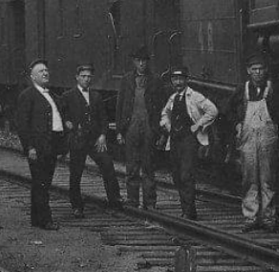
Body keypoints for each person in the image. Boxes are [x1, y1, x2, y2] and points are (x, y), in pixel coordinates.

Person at [228, 52, 279, 232]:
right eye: (254, 69)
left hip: (267, 139)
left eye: (260, 69)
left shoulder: (272, 89)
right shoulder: (241, 90)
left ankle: (268, 218)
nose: (258, 72)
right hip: (248, 139)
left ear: (265, 70)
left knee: (267, 180)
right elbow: (227, 109)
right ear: (248, 71)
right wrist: (237, 123)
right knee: (249, 179)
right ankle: (251, 217)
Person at [60, 64, 123, 217]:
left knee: (108, 165)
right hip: (78, 140)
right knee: (76, 173)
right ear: (77, 77)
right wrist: (67, 123)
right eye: (83, 76)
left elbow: (103, 118)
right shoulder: (68, 96)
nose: (86, 79)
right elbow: (60, 115)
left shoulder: (96, 96)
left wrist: (102, 135)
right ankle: (77, 206)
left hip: (95, 140)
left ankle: (114, 200)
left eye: (89, 77)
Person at [160, 66, 218, 220]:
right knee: (177, 176)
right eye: (175, 79)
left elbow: (212, 111)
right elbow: (164, 114)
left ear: (187, 80)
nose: (178, 82)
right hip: (175, 141)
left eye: (181, 79)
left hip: (189, 140)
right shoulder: (173, 98)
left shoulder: (195, 96)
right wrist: (167, 125)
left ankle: (189, 211)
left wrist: (198, 125)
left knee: (186, 175)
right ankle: (185, 208)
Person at [15, 59, 66, 230]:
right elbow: (22, 125)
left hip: (50, 146)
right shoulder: (27, 96)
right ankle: (45, 219)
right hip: (38, 147)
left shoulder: (51, 95)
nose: (45, 73)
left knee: (43, 182)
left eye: (46, 70)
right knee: (41, 183)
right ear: (32, 77)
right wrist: (29, 147)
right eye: (41, 72)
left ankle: (37, 219)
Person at [115, 46, 168, 209]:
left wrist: (160, 132)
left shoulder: (156, 80)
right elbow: (120, 105)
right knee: (131, 166)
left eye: (144, 61)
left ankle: (150, 202)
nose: (141, 64)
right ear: (134, 62)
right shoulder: (126, 80)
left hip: (149, 127)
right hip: (131, 126)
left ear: (147, 62)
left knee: (148, 166)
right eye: (138, 61)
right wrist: (119, 130)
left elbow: (162, 106)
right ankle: (132, 200)